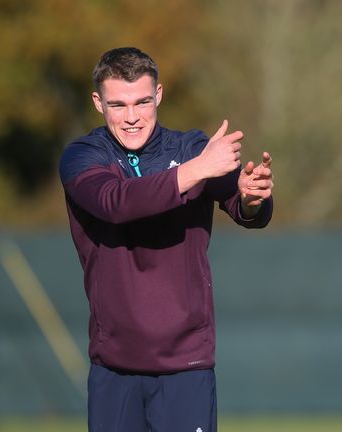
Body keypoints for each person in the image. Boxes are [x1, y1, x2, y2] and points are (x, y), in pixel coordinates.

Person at [59, 47, 274, 432]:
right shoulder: (83, 156)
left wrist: (252, 197)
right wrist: (196, 171)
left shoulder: (190, 149)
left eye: (142, 101)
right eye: (118, 104)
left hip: (186, 366)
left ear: (158, 95)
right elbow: (116, 203)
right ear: (98, 102)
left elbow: (243, 207)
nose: (131, 117)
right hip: (114, 368)